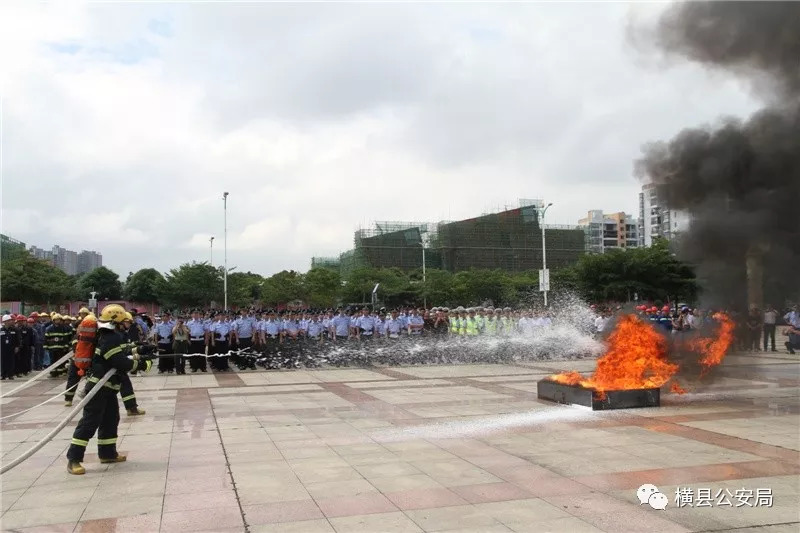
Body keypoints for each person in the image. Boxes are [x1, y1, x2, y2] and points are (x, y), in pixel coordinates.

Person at [66, 304, 155, 475]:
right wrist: (143, 363)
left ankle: (107, 453)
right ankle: (73, 459)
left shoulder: (110, 335)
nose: (126, 324)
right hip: (99, 387)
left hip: (108, 387)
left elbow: (120, 352)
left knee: (111, 419)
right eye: (124, 321)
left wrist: (141, 349)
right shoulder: (110, 337)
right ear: (117, 321)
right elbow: (120, 362)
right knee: (89, 423)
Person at [1, 314, 19, 380]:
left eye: (10, 320)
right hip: (3, 348)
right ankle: (3, 375)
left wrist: (17, 347)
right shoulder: (1, 330)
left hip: (11, 348)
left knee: (11, 362)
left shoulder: (14, 330)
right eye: (8, 320)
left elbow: (17, 339)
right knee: (3, 362)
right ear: (4, 322)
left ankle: (10, 375)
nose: (10, 322)